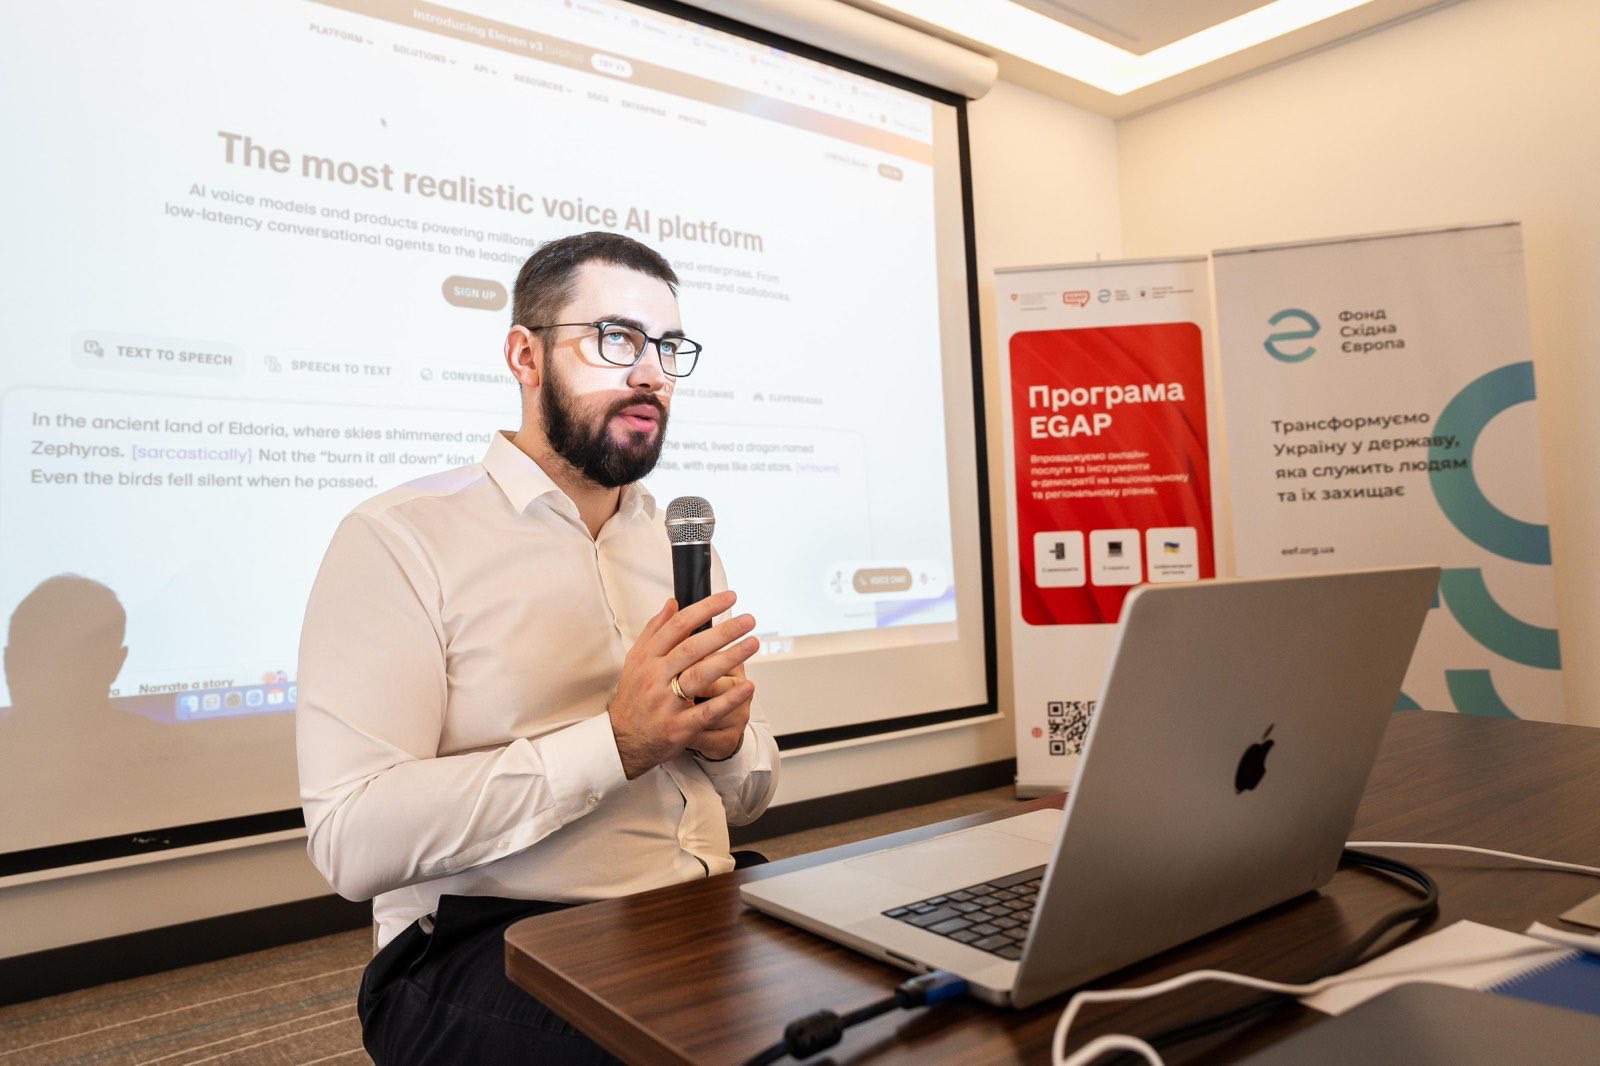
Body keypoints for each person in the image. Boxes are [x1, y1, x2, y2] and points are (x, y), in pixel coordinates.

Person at [296, 231, 780, 1064]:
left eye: (668, 347)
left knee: (903, 999)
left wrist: (727, 743)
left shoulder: (675, 541)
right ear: (525, 355)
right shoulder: (400, 538)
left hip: (695, 903)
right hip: (486, 942)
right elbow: (350, 841)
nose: (650, 373)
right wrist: (616, 743)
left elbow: (751, 798)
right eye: (617, 339)